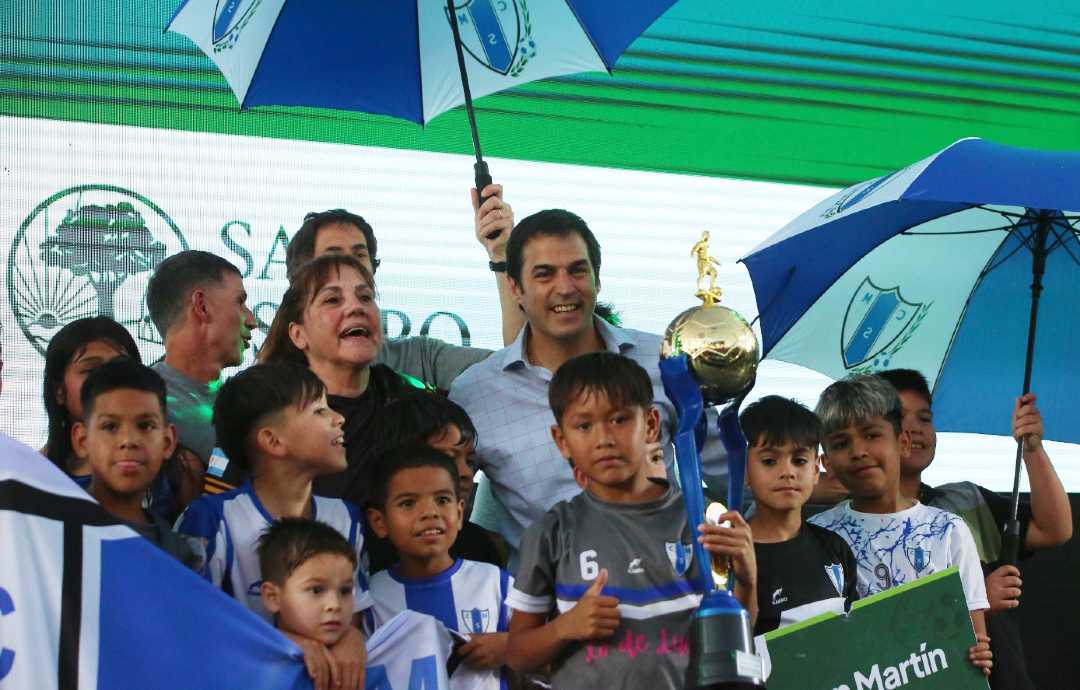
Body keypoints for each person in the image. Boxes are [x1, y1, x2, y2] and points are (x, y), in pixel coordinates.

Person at [450, 210, 727, 556]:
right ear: (515, 288)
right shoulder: (476, 393)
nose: (565, 288)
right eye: (544, 274)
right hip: (553, 603)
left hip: (670, 595)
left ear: (597, 279)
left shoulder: (662, 359)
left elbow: (733, 475)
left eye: (578, 270)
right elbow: (443, 501)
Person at [506, 352, 754, 689]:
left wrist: (749, 581)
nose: (604, 438)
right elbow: (517, 655)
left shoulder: (700, 517)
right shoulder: (552, 532)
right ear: (561, 440)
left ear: (651, 424)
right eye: (584, 425)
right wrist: (565, 627)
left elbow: (739, 635)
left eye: (619, 419)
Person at [879, 368, 1072, 690]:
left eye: (925, 418)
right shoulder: (856, 527)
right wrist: (976, 599)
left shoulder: (966, 499)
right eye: (899, 417)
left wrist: (1033, 449)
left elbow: (1055, 530)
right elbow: (878, 629)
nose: (914, 428)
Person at [807, 374, 993, 677]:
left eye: (871, 435)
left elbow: (974, 638)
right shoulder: (814, 537)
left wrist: (978, 653)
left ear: (902, 442)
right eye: (841, 443)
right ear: (826, 463)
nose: (858, 451)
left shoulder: (949, 531)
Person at [174, 362, 373, 638]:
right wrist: (285, 648)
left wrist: (350, 639)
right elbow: (188, 627)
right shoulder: (211, 520)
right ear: (273, 441)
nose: (339, 418)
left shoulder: (346, 517)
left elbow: (354, 620)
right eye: (319, 410)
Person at [284, 184, 519, 390]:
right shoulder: (270, 387)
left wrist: (501, 253)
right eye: (333, 257)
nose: (350, 267)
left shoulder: (421, 359)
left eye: (359, 255)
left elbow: (519, 369)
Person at [259, 254, 415, 505]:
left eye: (365, 297)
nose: (357, 308)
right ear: (298, 335)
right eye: (332, 300)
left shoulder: (411, 404)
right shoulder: (264, 414)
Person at [366, 445, 511, 690]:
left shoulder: (495, 582)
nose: (430, 512)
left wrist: (510, 647)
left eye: (442, 500)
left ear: (459, 511)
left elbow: (544, 652)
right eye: (408, 503)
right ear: (379, 522)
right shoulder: (370, 598)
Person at [739, 395, 858, 636]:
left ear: (815, 471)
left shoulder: (835, 548)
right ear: (744, 471)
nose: (787, 472)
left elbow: (855, 637)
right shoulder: (730, 556)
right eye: (770, 461)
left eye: (799, 460)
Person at [145, 249, 257, 501]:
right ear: (201, 305)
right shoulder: (141, 403)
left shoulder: (247, 405)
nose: (252, 320)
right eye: (240, 302)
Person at [71, 358, 203, 571]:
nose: (128, 440)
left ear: (168, 442)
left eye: (145, 426)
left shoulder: (179, 556)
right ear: (82, 440)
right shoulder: (48, 530)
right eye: (110, 426)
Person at [368, 391, 504, 571]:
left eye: (470, 462)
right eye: (447, 459)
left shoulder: (480, 551)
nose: (465, 473)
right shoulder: (361, 552)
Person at [258, 517, 367, 690]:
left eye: (345, 591)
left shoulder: (366, 658)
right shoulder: (253, 666)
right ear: (273, 597)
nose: (335, 604)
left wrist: (355, 636)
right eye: (316, 590)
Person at [42, 316, 142, 489]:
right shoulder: (30, 474)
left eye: (119, 368)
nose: (107, 379)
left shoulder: (174, 470)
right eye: (91, 370)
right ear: (59, 391)